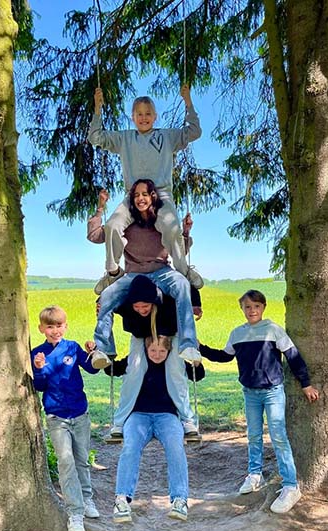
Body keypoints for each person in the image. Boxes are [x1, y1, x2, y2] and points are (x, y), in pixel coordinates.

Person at [199, 290, 320, 514]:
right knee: (253, 435)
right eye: (247, 307)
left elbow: (293, 356)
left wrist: (306, 384)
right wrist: (200, 348)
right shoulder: (237, 333)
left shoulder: (273, 330)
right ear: (242, 308)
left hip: (272, 392)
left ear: (263, 307)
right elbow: (225, 356)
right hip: (250, 393)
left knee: (278, 436)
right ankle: (255, 475)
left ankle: (291, 486)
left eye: (256, 306)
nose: (252, 310)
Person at [88, 84, 203, 293]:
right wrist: (97, 109)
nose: (143, 118)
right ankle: (113, 273)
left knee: (172, 229)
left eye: (148, 113)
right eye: (139, 114)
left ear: (155, 117)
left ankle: (184, 271)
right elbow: (95, 137)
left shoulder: (167, 136)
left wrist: (188, 101)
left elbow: (194, 132)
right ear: (132, 117)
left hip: (161, 194)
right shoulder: (124, 138)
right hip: (133, 196)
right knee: (113, 225)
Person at [87, 179, 202, 368]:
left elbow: (178, 249)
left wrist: (185, 232)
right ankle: (104, 349)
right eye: (136, 195)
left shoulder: (162, 222)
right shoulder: (124, 223)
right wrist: (100, 208)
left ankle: (188, 344)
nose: (140, 198)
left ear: (152, 197)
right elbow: (95, 236)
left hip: (161, 270)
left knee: (182, 284)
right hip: (133, 274)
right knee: (106, 296)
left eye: (145, 194)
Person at [109, 335, 204, 524]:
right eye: (153, 350)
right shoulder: (136, 362)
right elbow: (113, 370)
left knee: (175, 446)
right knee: (130, 447)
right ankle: (122, 500)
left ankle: (180, 499)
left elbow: (198, 375)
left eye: (162, 351)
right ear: (145, 349)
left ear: (169, 350)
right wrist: (102, 354)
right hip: (138, 416)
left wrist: (196, 361)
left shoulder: (174, 364)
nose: (157, 355)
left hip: (167, 416)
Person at [31, 305, 100, 531]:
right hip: (56, 417)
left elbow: (92, 369)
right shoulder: (37, 353)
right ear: (41, 329)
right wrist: (39, 368)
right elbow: (40, 386)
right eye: (50, 326)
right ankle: (75, 513)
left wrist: (94, 351)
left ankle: (87, 499)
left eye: (59, 325)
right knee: (66, 462)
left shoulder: (72, 347)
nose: (55, 330)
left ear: (66, 326)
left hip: (80, 414)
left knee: (82, 460)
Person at [108, 274, 202, 437]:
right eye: (137, 307)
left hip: (171, 333)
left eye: (145, 306)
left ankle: (188, 420)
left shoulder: (166, 297)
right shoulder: (126, 302)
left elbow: (185, 286)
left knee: (175, 370)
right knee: (134, 371)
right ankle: (119, 423)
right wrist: (100, 305)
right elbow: (108, 297)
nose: (141, 310)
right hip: (142, 335)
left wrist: (196, 303)